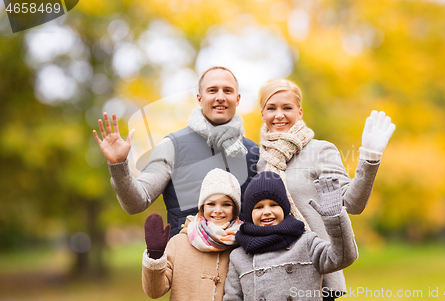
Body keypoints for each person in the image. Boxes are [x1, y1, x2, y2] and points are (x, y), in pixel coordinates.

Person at [257, 79, 395, 299]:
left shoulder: (320, 150)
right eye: (272, 108)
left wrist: (369, 158)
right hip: (274, 278)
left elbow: (352, 203)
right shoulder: (261, 161)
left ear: (299, 112)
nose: (279, 115)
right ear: (262, 114)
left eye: (287, 107)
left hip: (316, 272)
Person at [93, 66, 259, 237]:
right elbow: (136, 203)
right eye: (212, 90)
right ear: (199, 98)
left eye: (227, 90)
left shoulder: (254, 152)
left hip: (240, 260)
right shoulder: (173, 146)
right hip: (187, 259)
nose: (220, 97)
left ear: (237, 99)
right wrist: (119, 165)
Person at [223, 171, 358, 301]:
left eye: (273, 205)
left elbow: (343, 257)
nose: (267, 212)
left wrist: (335, 220)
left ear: (285, 208)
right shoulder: (239, 256)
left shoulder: (306, 242)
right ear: (249, 214)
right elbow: (232, 298)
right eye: (259, 207)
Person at [142, 168, 243, 300]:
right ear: (202, 207)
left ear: (235, 209)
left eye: (226, 204)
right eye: (211, 204)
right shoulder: (178, 243)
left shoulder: (241, 244)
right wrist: (155, 256)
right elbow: (154, 292)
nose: (218, 210)